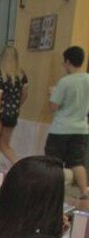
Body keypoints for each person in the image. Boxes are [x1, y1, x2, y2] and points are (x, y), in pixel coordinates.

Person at [45, 46, 89, 198]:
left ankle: (52, 190)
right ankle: (84, 191)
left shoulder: (65, 82)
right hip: (81, 128)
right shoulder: (88, 80)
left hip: (61, 128)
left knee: (53, 162)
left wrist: (52, 93)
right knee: (77, 162)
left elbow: (53, 106)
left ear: (68, 61)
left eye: (64, 62)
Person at [0, 46, 28, 174]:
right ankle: (22, 169)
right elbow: (25, 94)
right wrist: (15, 106)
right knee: (5, 145)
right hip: (12, 114)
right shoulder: (22, 75)